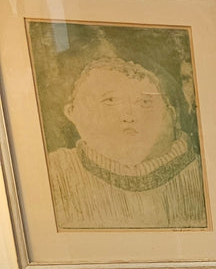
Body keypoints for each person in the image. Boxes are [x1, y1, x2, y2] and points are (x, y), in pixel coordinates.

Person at [46, 56, 207, 230]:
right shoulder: (55, 172)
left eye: (144, 102)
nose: (129, 116)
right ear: (72, 112)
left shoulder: (202, 174)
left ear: (171, 115)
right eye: (110, 101)